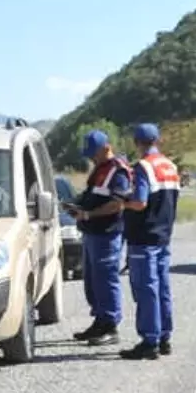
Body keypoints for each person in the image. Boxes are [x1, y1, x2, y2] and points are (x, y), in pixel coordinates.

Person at [120, 123, 180, 360]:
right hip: (164, 235)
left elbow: (140, 202)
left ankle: (149, 341)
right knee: (162, 288)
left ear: (137, 143)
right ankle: (165, 336)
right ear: (158, 140)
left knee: (146, 289)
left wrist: (123, 202)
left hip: (143, 236)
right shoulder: (170, 166)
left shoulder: (143, 167)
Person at [69, 129, 132, 346]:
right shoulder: (100, 169)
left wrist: (88, 214)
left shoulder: (118, 171)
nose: (90, 157)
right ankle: (99, 320)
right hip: (91, 232)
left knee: (106, 279)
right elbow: (94, 196)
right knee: (93, 280)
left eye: (93, 153)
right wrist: (77, 207)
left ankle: (111, 325)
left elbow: (117, 204)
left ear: (106, 148)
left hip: (107, 233)